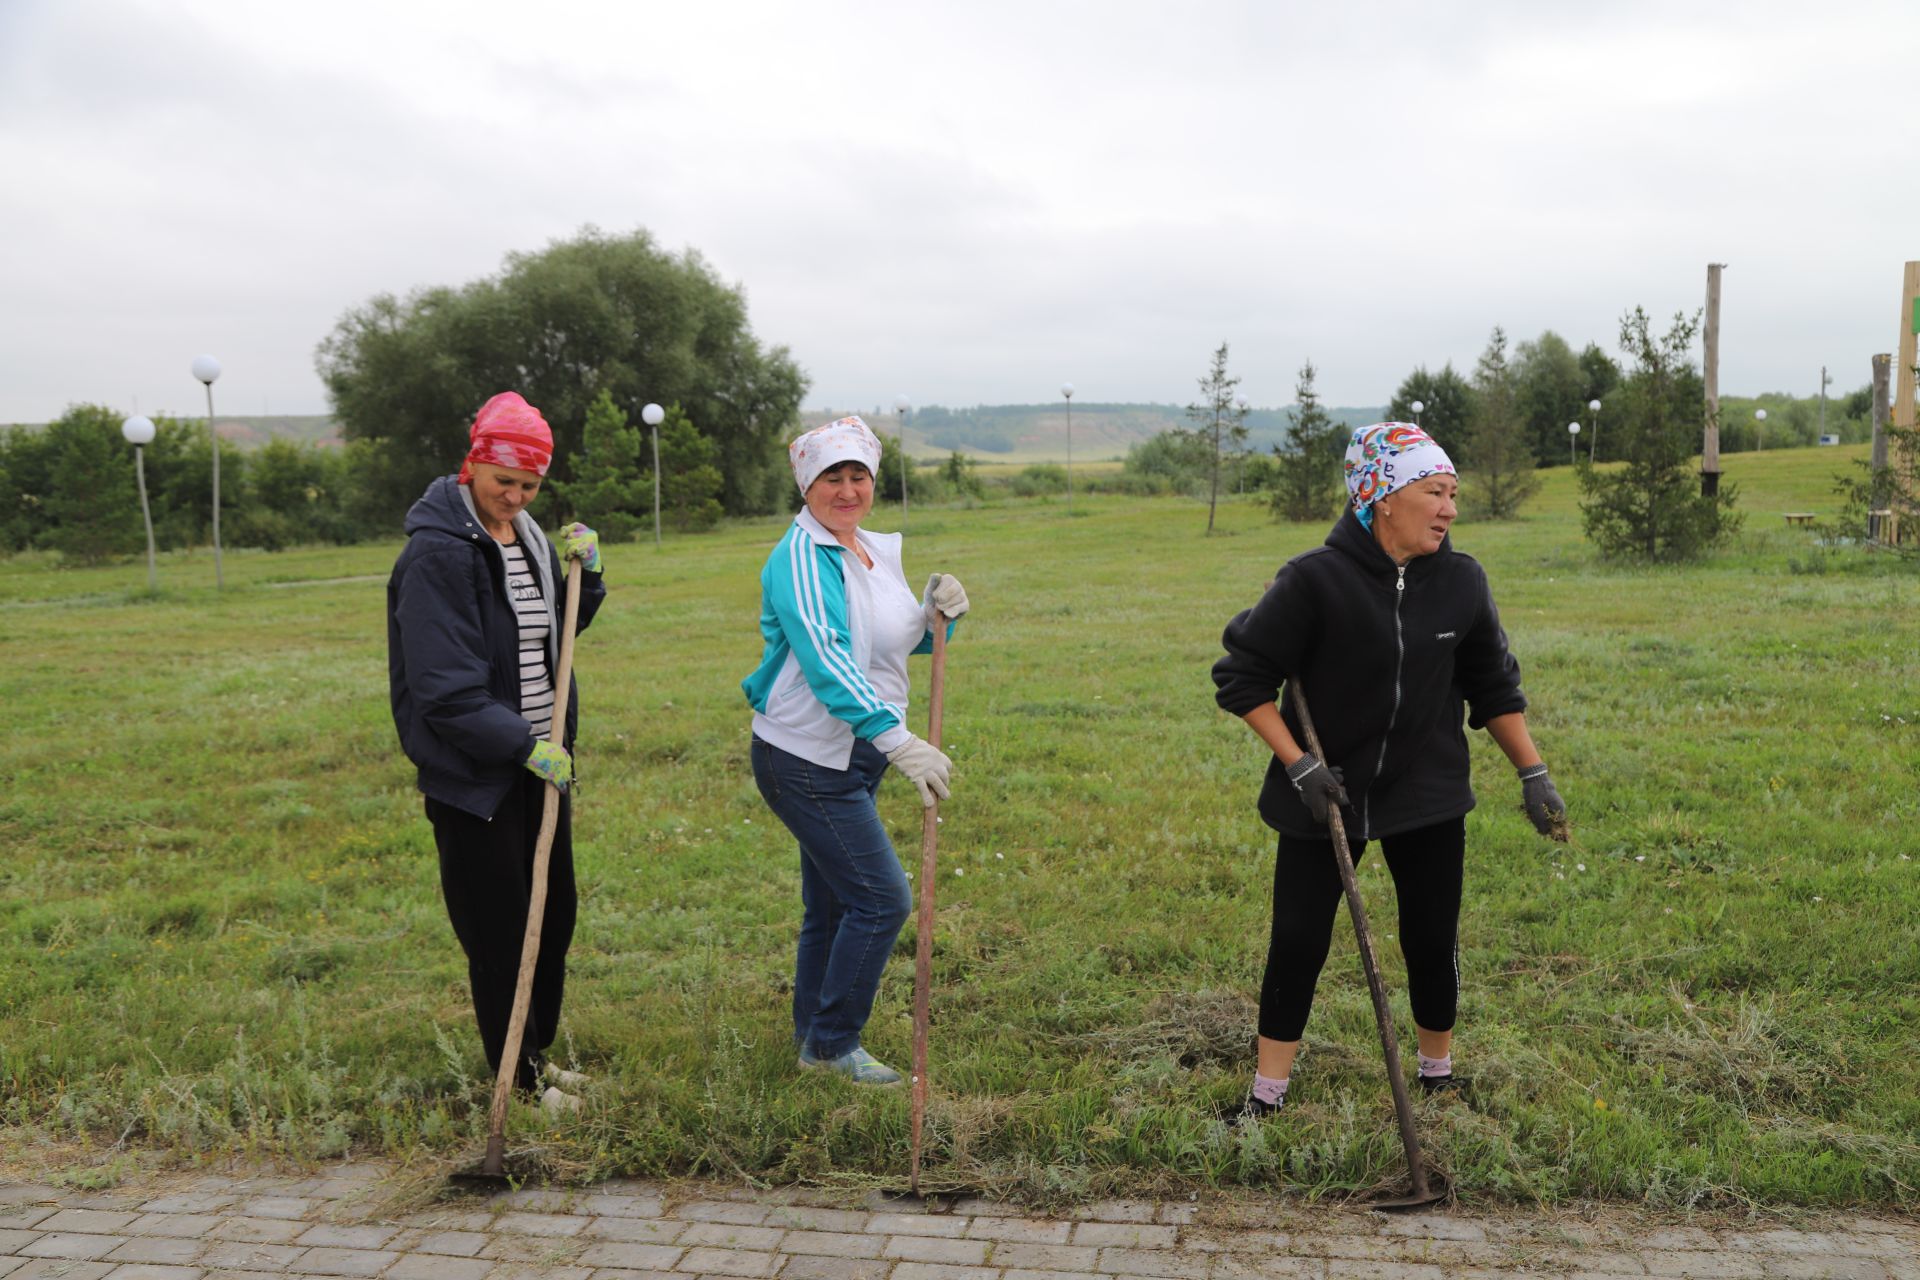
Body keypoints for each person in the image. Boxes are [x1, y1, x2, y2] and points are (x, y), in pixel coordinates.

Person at [1211, 422, 1566, 1119]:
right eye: (1435, 492)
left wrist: (1533, 774)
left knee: (1432, 937)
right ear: (1380, 496)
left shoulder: (1462, 581)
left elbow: (1493, 686)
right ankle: (1266, 1095)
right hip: (1326, 792)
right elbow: (1242, 678)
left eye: (1453, 494)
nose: (1450, 509)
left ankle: (1439, 1076)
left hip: (1427, 790)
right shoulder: (1314, 580)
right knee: (1299, 940)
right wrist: (1300, 765)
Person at [387, 391, 607, 1116]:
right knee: (502, 929)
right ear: (473, 461)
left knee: (553, 915)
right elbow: (443, 690)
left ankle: (534, 1054)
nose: (513, 496)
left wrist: (588, 577)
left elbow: (543, 636)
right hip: (478, 776)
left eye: (529, 485)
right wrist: (523, 746)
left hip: (540, 764)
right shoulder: (438, 554)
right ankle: (514, 1075)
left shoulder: (527, 537)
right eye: (502, 480)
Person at [743, 415, 970, 1086]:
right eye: (830, 478)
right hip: (806, 758)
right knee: (880, 900)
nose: (846, 490)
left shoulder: (870, 548)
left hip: (855, 751)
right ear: (806, 486)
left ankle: (812, 1037)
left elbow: (892, 646)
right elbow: (828, 663)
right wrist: (902, 743)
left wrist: (939, 615)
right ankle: (833, 1046)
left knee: (836, 904)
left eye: (857, 476)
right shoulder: (799, 559)